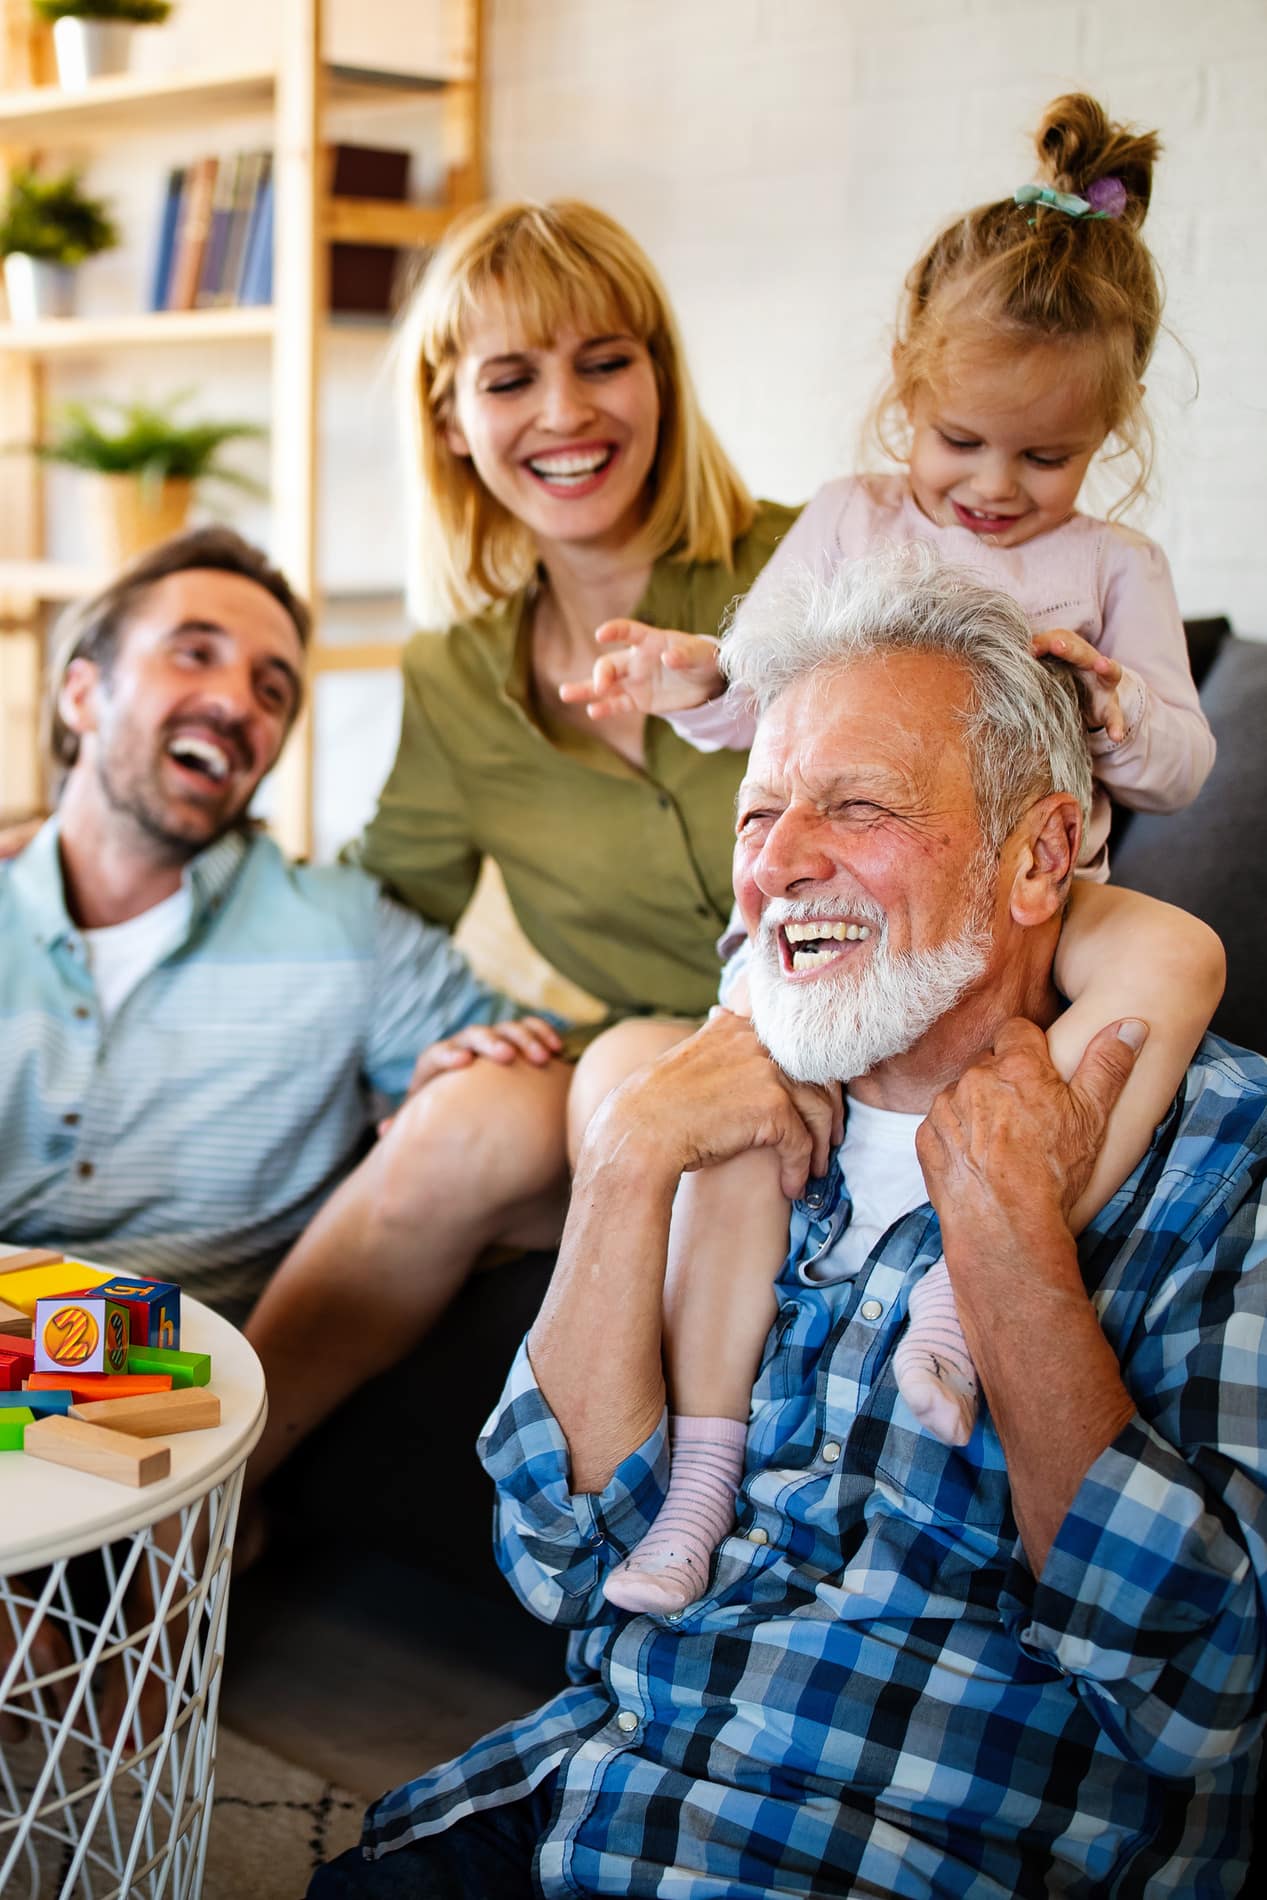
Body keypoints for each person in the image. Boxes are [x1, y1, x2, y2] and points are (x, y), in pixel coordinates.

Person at [312, 552, 1266, 1899]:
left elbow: (1200, 1688)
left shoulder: (1223, 1158)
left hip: (916, 1859)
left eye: (856, 805)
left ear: (1040, 855)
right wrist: (627, 1157)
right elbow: (557, 1556)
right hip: (593, 1804)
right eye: (759, 815)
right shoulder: (732, 1116)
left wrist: (1007, 1253)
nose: (779, 864)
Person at [562, 94, 1225, 1614]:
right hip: (841, 929)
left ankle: (968, 1273)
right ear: (899, 404)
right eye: (959, 442)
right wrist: (682, 679)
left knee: (1174, 952)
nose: (993, 488)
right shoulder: (855, 522)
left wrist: (1113, 706)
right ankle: (702, 1483)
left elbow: (1182, 768)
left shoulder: (1112, 566)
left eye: (1043, 457)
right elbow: (751, 682)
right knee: (741, 1143)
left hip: (1034, 902)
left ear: (1104, 438)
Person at [240, 198, 799, 1492]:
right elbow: (372, 907)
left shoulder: (808, 566)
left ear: (657, 373)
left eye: (603, 360)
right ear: (451, 421)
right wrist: (110, 840)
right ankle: (203, 1505)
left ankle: (641, 1539)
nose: (565, 412)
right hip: (635, 1078)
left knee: (626, 1085)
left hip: (832, 1050)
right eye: (510, 378)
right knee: (464, 1115)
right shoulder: (454, 677)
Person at [0, 526, 556, 1329]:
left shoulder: (348, 929)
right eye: (193, 653)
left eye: (273, 690)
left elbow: (555, 1128)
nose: (235, 703)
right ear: (81, 693)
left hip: (202, 1415)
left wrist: (472, 1082)